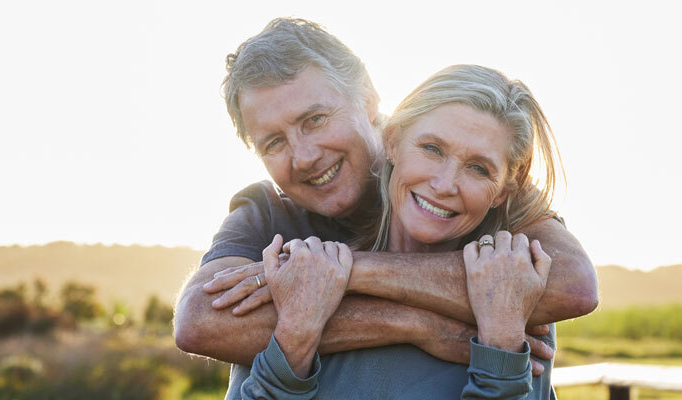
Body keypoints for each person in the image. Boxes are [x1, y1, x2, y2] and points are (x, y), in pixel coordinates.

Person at [173, 18, 598, 399]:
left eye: (315, 119)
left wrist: (342, 271)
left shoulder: (485, 203)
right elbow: (200, 323)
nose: (303, 156)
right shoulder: (267, 217)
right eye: (274, 142)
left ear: (368, 97)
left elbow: (571, 284)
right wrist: (417, 325)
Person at [233, 64, 566, 398]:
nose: (443, 184)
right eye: (432, 149)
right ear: (392, 141)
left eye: (478, 168)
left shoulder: (513, 293)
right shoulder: (299, 280)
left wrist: (502, 352)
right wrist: (295, 339)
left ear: (503, 192)